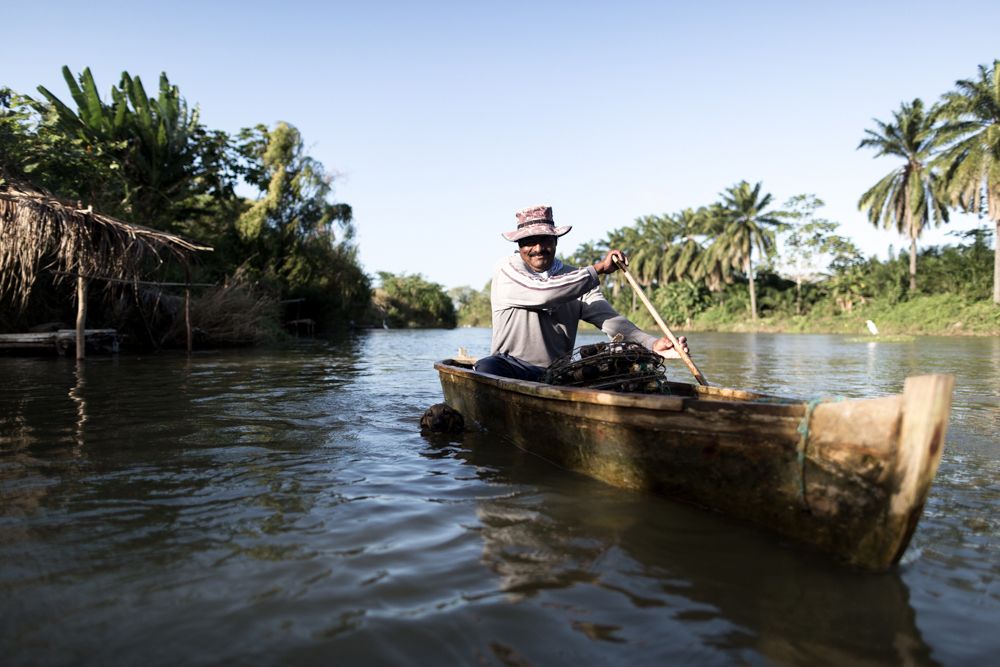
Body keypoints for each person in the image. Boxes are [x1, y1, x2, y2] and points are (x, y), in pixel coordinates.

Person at [474, 204, 689, 381]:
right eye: (530, 242)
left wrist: (652, 343)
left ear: (556, 241)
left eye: (545, 240)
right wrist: (598, 270)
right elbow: (544, 293)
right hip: (511, 366)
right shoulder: (507, 270)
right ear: (519, 245)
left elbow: (609, 319)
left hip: (555, 372)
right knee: (486, 367)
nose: (538, 248)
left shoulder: (575, 277)